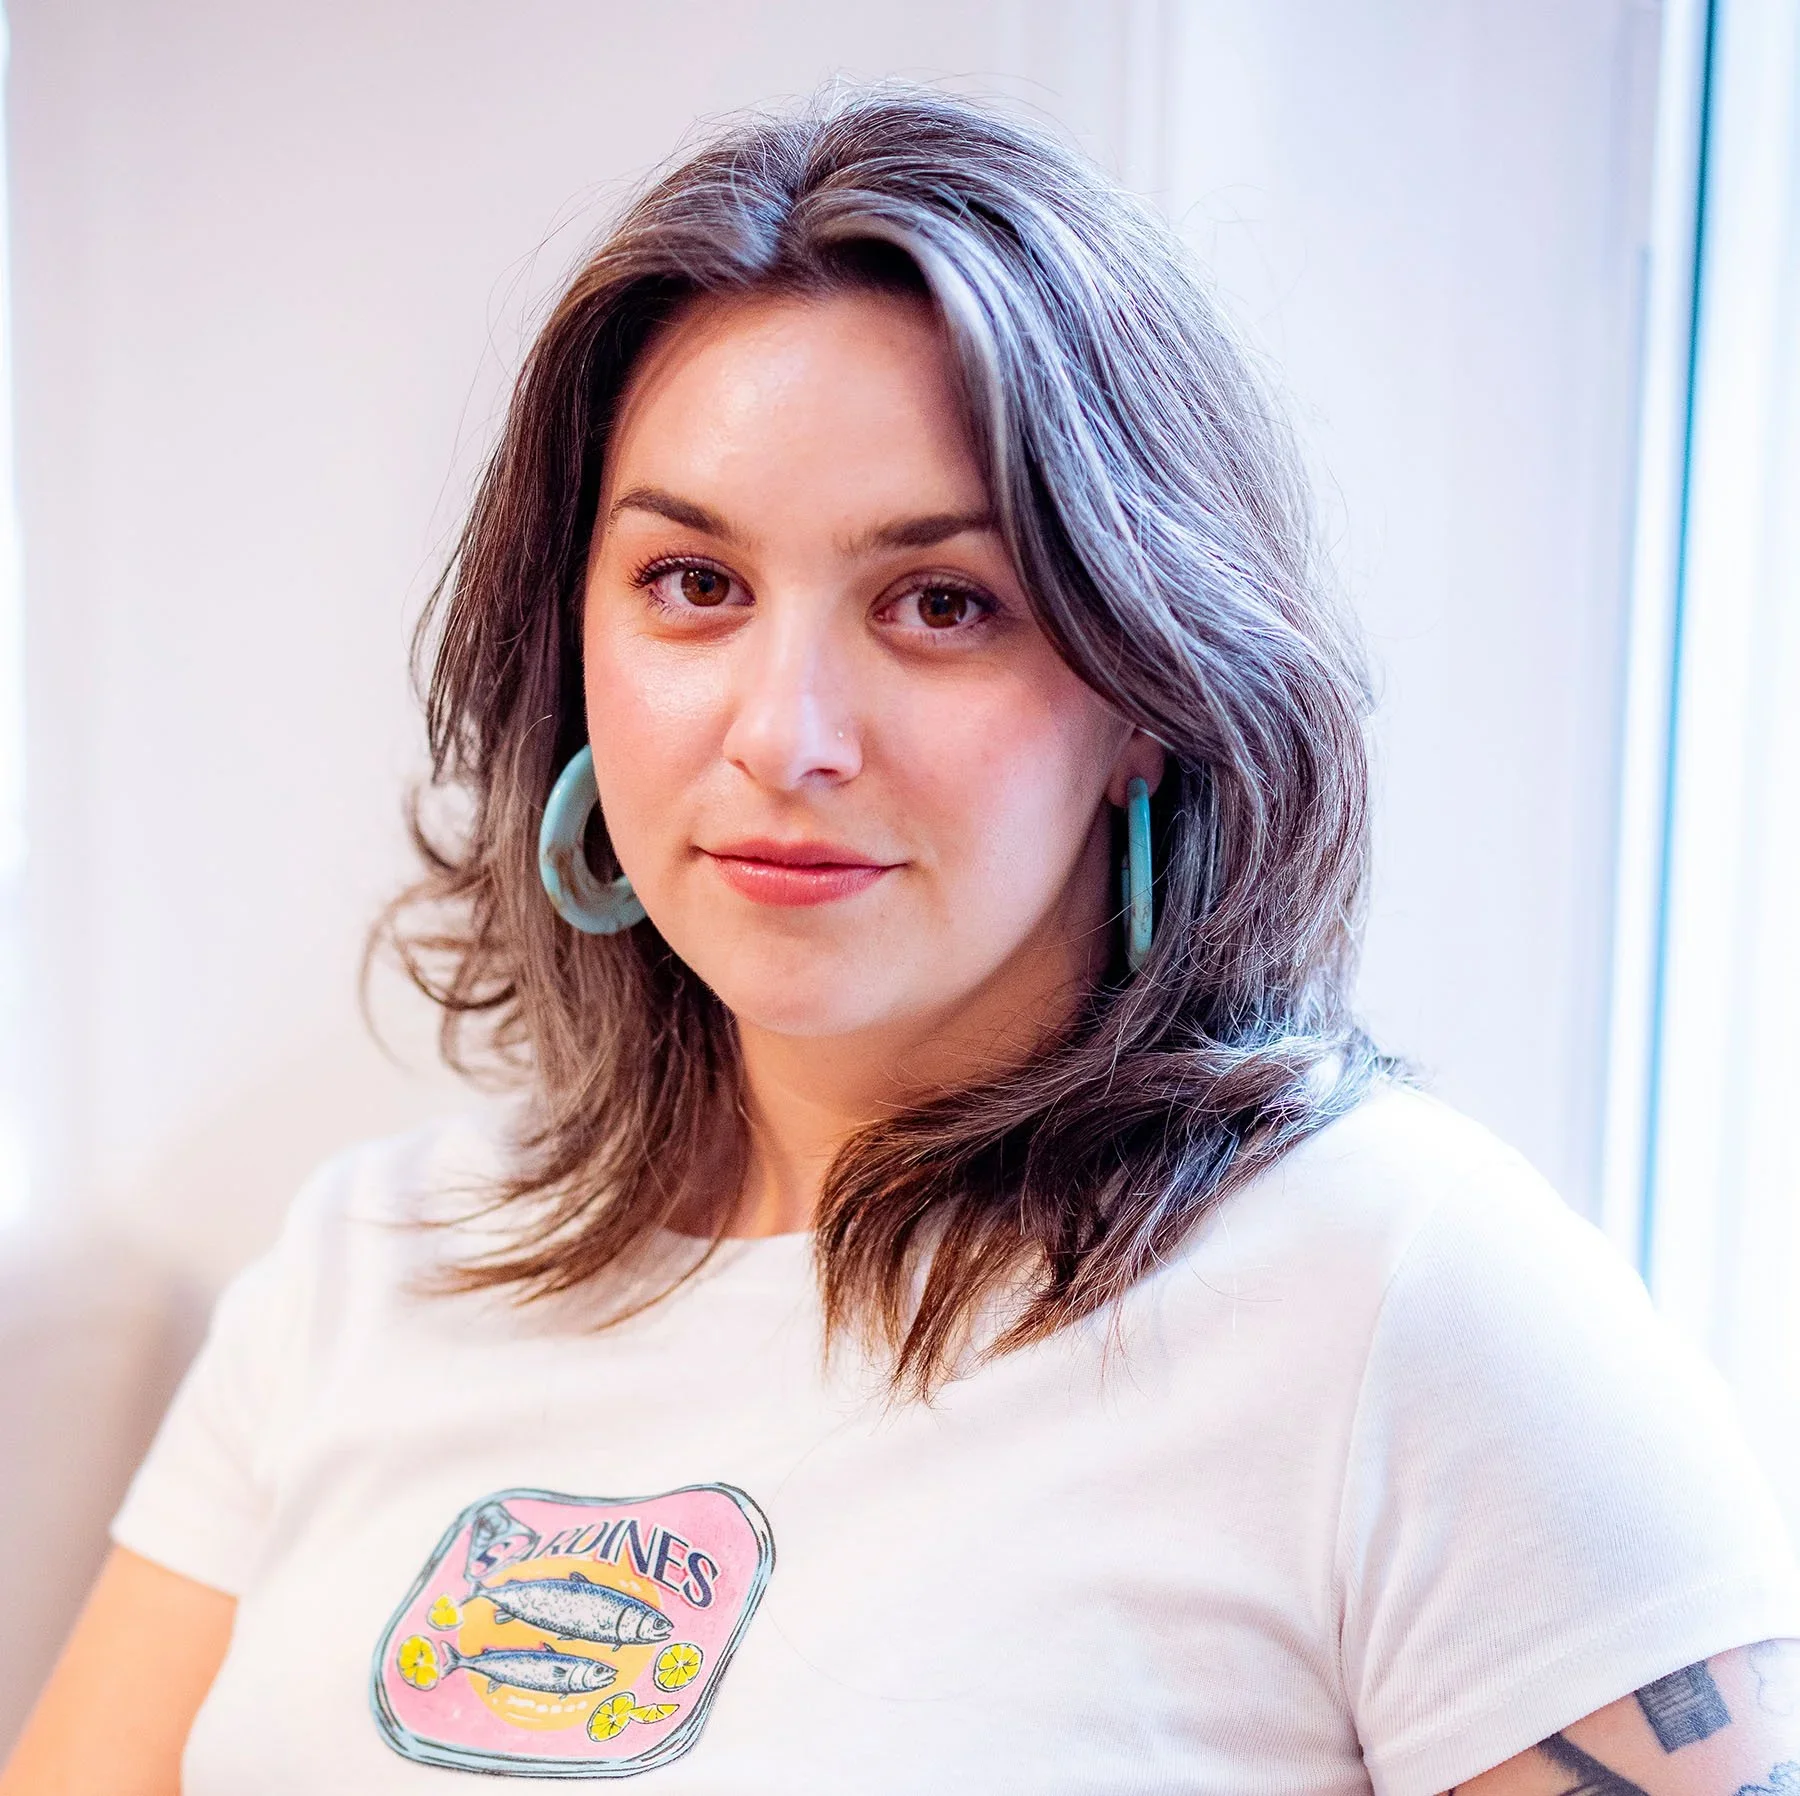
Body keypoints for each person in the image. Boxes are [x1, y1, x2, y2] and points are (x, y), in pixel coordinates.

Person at [5, 84, 1797, 1796]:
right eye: (692, 585)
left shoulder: (1410, 1302)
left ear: (1150, 694)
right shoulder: (367, 1268)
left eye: (941, 603)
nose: (784, 733)